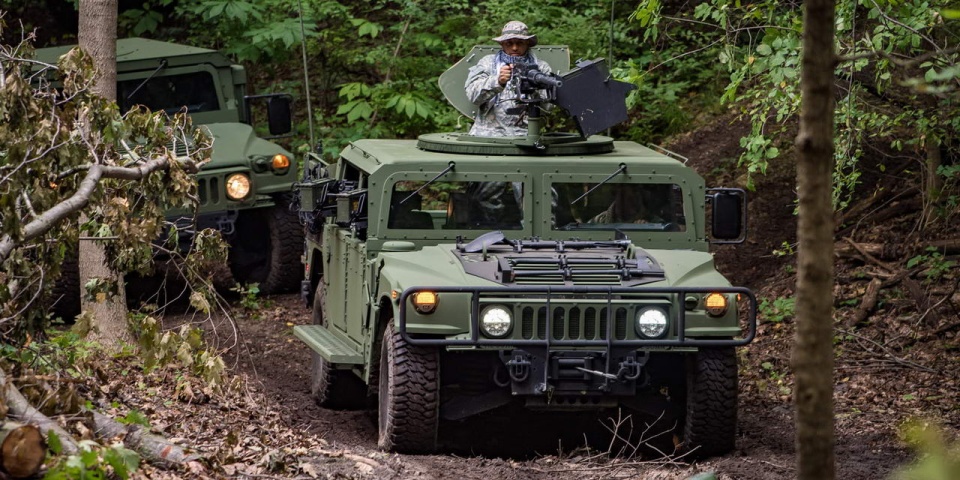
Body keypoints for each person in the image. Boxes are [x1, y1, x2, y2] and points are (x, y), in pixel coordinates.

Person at [464, 21, 553, 137]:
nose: (514, 48)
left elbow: (549, 107)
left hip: (526, 134)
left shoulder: (541, 67)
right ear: (502, 44)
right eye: (509, 43)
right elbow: (472, 96)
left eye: (520, 43)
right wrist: (497, 82)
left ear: (527, 44)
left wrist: (534, 88)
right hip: (488, 133)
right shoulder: (488, 63)